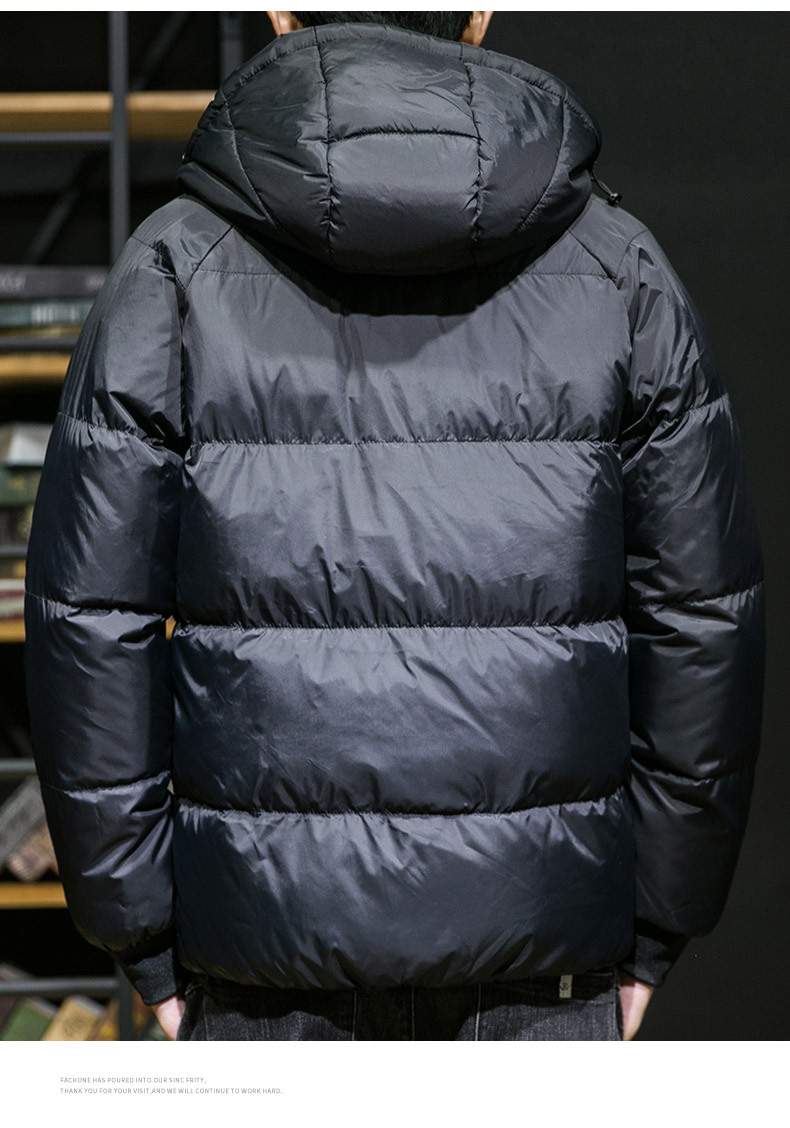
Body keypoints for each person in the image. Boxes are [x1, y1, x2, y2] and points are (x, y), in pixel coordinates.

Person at [23, 10, 766, 1042]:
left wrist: (137, 933)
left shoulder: (173, 269)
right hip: (542, 964)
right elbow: (701, 618)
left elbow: (89, 626)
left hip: (262, 968)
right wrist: (660, 924)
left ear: (277, 10)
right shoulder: (620, 269)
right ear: (481, 11)